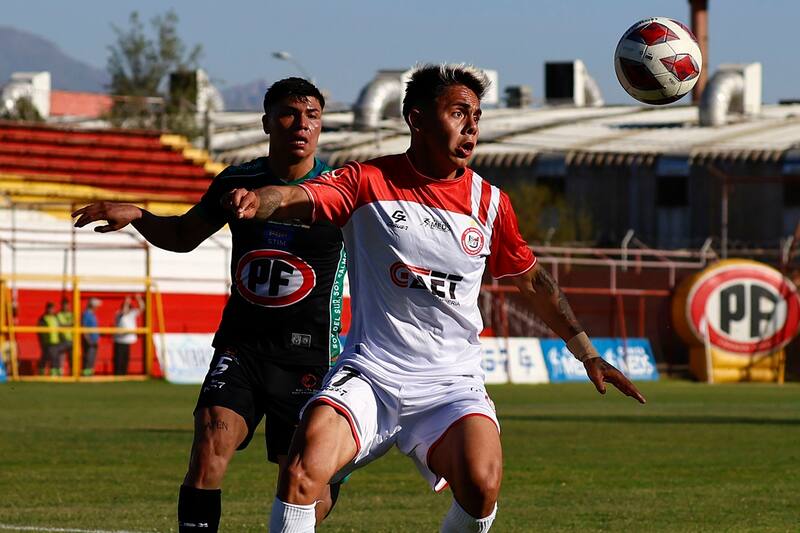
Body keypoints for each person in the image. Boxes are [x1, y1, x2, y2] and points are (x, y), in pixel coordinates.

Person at [222, 64, 647, 532]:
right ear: (417, 118)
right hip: (372, 374)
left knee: (482, 485)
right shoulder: (365, 182)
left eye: (477, 116)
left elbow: (533, 283)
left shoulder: (489, 203)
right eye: (459, 112)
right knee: (302, 472)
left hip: (450, 384)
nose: (472, 126)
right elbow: (294, 195)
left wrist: (587, 352)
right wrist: (257, 200)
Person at [72, 78, 347, 532]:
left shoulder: (341, 190)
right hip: (242, 347)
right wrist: (140, 215)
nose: (301, 124)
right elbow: (183, 236)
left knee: (304, 481)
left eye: (312, 116)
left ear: (321, 126)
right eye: (289, 114)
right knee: (208, 446)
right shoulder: (236, 181)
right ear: (266, 122)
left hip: (310, 355)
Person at [113, 295, 144, 375]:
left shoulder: (132, 314)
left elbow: (142, 308)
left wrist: (139, 299)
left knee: (125, 358)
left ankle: (124, 373)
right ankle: (117, 374)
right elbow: (123, 312)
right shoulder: (118, 314)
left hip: (127, 340)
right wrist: (126, 303)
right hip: (119, 340)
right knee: (118, 358)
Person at [37, 302, 60, 376]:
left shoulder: (56, 317)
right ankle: (42, 371)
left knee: (54, 356)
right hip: (47, 342)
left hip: (55, 341)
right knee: (46, 356)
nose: (52, 310)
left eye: (53, 308)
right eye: (50, 308)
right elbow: (40, 331)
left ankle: (54, 372)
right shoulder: (43, 318)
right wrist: (41, 341)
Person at [81, 297, 101, 376]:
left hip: (94, 340)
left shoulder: (92, 314)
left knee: (92, 358)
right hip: (90, 340)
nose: (97, 308)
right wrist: (87, 339)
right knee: (88, 357)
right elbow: (84, 327)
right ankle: (86, 374)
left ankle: (89, 373)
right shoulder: (86, 314)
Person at [56, 298, 74, 373]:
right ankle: (60, 373)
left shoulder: (72, 314)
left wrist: (64, 325)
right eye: (64, 305)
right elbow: (59, 325)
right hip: (62, 340)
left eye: (67, 305)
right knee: (61, 358)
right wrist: (68, 325)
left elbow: (74, 324)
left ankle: (72, 373)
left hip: (71, 340)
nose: (65, 307)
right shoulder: (59, 314)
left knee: (72, 358)